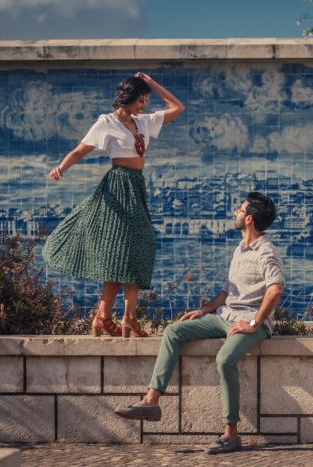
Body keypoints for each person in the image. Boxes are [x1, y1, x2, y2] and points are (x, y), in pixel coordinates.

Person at [114, 192, 285, 454]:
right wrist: (203, 310)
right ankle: (151, 401)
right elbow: (227, 291)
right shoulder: (240, 248)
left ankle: (231, 434)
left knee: (224, 359)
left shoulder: (265, 250)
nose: (235, 213)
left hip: (251, 324)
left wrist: (253, 322)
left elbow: (276, 288)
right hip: (225, 317)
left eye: (239, 210)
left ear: (249, 218)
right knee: (173, 332)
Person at [42, 72, 184, 338]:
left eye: (146, 100)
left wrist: (151, 83)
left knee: (132, 250)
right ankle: (119, 317)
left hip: (136, 186)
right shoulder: (106, 122)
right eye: (141, 99)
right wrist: (60, 168)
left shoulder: (143, 121)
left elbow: (178, 107)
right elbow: (79, 150)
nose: (144, 105)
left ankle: (110, 316)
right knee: (123, 252)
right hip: (117, 188)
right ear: (128, 97)